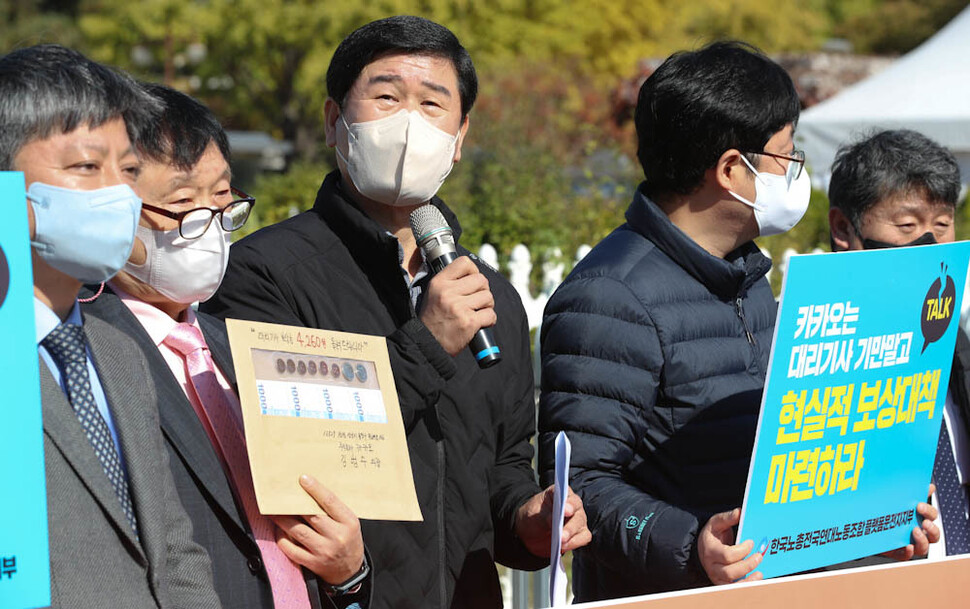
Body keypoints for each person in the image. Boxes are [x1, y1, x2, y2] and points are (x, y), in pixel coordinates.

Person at [202, 15, 590, 609]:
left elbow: (506, 466)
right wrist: (426, 344)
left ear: (460, 136)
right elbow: (293, 461)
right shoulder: (263, 275)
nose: (410, 123)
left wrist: (530, 519)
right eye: (386, 97)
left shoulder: (491, 297)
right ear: (335, 121)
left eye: (433, 104)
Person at [80, 83, 370, 609]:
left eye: (222, 198)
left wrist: (347, 572)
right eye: (182, 203)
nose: (210, 225)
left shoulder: (243, 347)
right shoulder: (82, 357)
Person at [538, 41, 809, 600]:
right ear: (732, 170)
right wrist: (691, 545)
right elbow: (579, 487)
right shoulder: (610, 296)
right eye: (787, 158)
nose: (797, 173)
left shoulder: (746, 276)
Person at [0, 45, 220, 608]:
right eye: (84, 167)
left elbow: (174, 553)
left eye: (127, 171)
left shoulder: (120, 353)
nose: (118, 194)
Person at [829, 128, 959, 558]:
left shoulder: (958, 337)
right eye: (907, 225)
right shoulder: (814, 347)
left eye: (941, 225)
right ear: (843, 228)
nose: (929, 242)